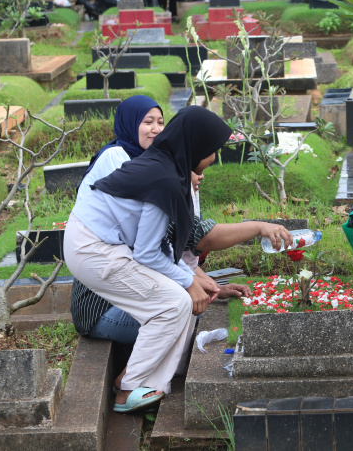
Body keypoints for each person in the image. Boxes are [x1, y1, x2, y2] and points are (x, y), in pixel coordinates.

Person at [63, 106, 236, 413]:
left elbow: (157, 245)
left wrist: (192, 280)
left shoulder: (167, 165)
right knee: (172, 303)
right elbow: (147, 253)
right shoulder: (165, 178)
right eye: (212, 151)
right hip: (93, 248)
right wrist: (187, 280)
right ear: (196, 147)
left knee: (179, 301)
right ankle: (127, 388)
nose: (213, 159)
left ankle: (151, 384)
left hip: (105, 244)